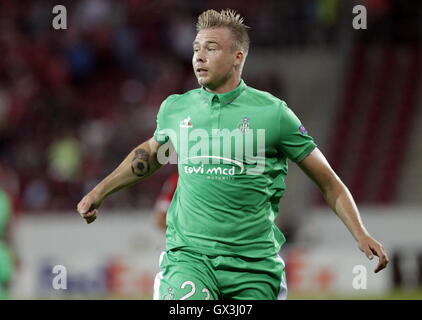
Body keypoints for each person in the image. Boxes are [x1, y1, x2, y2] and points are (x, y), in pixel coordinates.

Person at [77, 9, 389, 300]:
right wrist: (99, 192)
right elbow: (147, 158)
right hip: (189, 258)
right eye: (196, 48)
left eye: (211, 48)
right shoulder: (175, 107)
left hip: (254, 267)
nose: (199, 56)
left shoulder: (273, 114)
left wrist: (360, 233)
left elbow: (328, 182)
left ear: (237, 56)